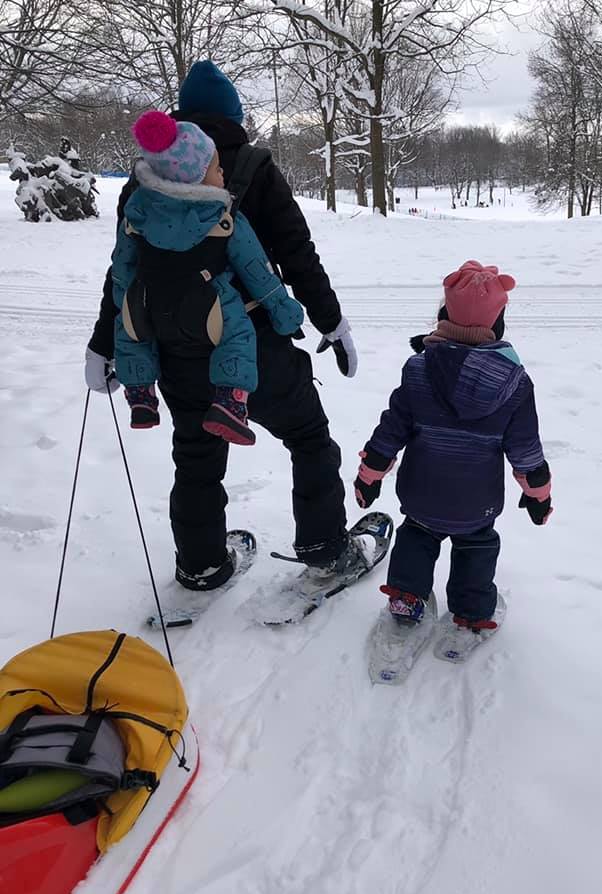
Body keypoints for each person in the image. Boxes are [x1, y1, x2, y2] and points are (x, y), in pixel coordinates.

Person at [86, 61, 358, 591]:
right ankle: (326, 549)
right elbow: (296, 256)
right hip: (257, 351)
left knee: (195, 457)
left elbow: (123, 274)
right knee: (307, 437)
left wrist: (104, 344)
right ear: (234, 117)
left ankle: (201, 562)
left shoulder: (144, 182)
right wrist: (331, 322)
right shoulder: (255, 168)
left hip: (176, 353)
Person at [354, 260, 552, 644]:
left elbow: (389, 432)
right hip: (476, 503)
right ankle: (473, 613)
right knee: (477, 547)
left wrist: (369, 476)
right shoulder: (515, 385)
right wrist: (538, 496)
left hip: (421, 494)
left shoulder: (418, 370)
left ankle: (407, 600)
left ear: (444, 315)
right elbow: (527, 452)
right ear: (498, 326)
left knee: (416, 537)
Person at [113, 110, 304, 445]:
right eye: (216, 168)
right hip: (209, 308)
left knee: (130, 334)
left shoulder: (136, 215)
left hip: (148, 305)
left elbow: (122, 266)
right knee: (239, 333)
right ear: (197, 177)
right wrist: (283, 311)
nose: (222, 173)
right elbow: (257, 270)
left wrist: (123, 302)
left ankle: (141, 393)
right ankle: (230, 399)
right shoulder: (223, 217)